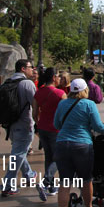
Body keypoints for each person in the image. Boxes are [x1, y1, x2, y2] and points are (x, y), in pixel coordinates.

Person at [0, 59, 47, 200]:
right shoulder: (27, 84)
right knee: (18, 154)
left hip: (10, 126)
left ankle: (29, 175)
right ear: (23, 69)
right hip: (24, 125)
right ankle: (7, 185)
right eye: (30, 67)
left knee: (19, 152)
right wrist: (40, 124)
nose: (32, 70)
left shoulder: (7, 82)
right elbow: (36, 106)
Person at [54, 78, 104, 207]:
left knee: (65, 182)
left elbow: (56, 124)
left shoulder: (62, 104)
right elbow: (98, 127)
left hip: (62, 144)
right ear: (85, 90)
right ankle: (88, 206)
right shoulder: (89, 104)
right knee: (86, 179)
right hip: (82, 145)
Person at [32, 67, 66, 195]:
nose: (59, 78)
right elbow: (66, 113)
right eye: (58, 76)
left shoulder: (38, 92)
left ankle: (50, 186)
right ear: (53, 78)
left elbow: (34, 113)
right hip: (56, 129)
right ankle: (46, 181)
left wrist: (39, 123)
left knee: (48, 157)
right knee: (59, 157)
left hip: (42, 128)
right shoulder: (60, 94)